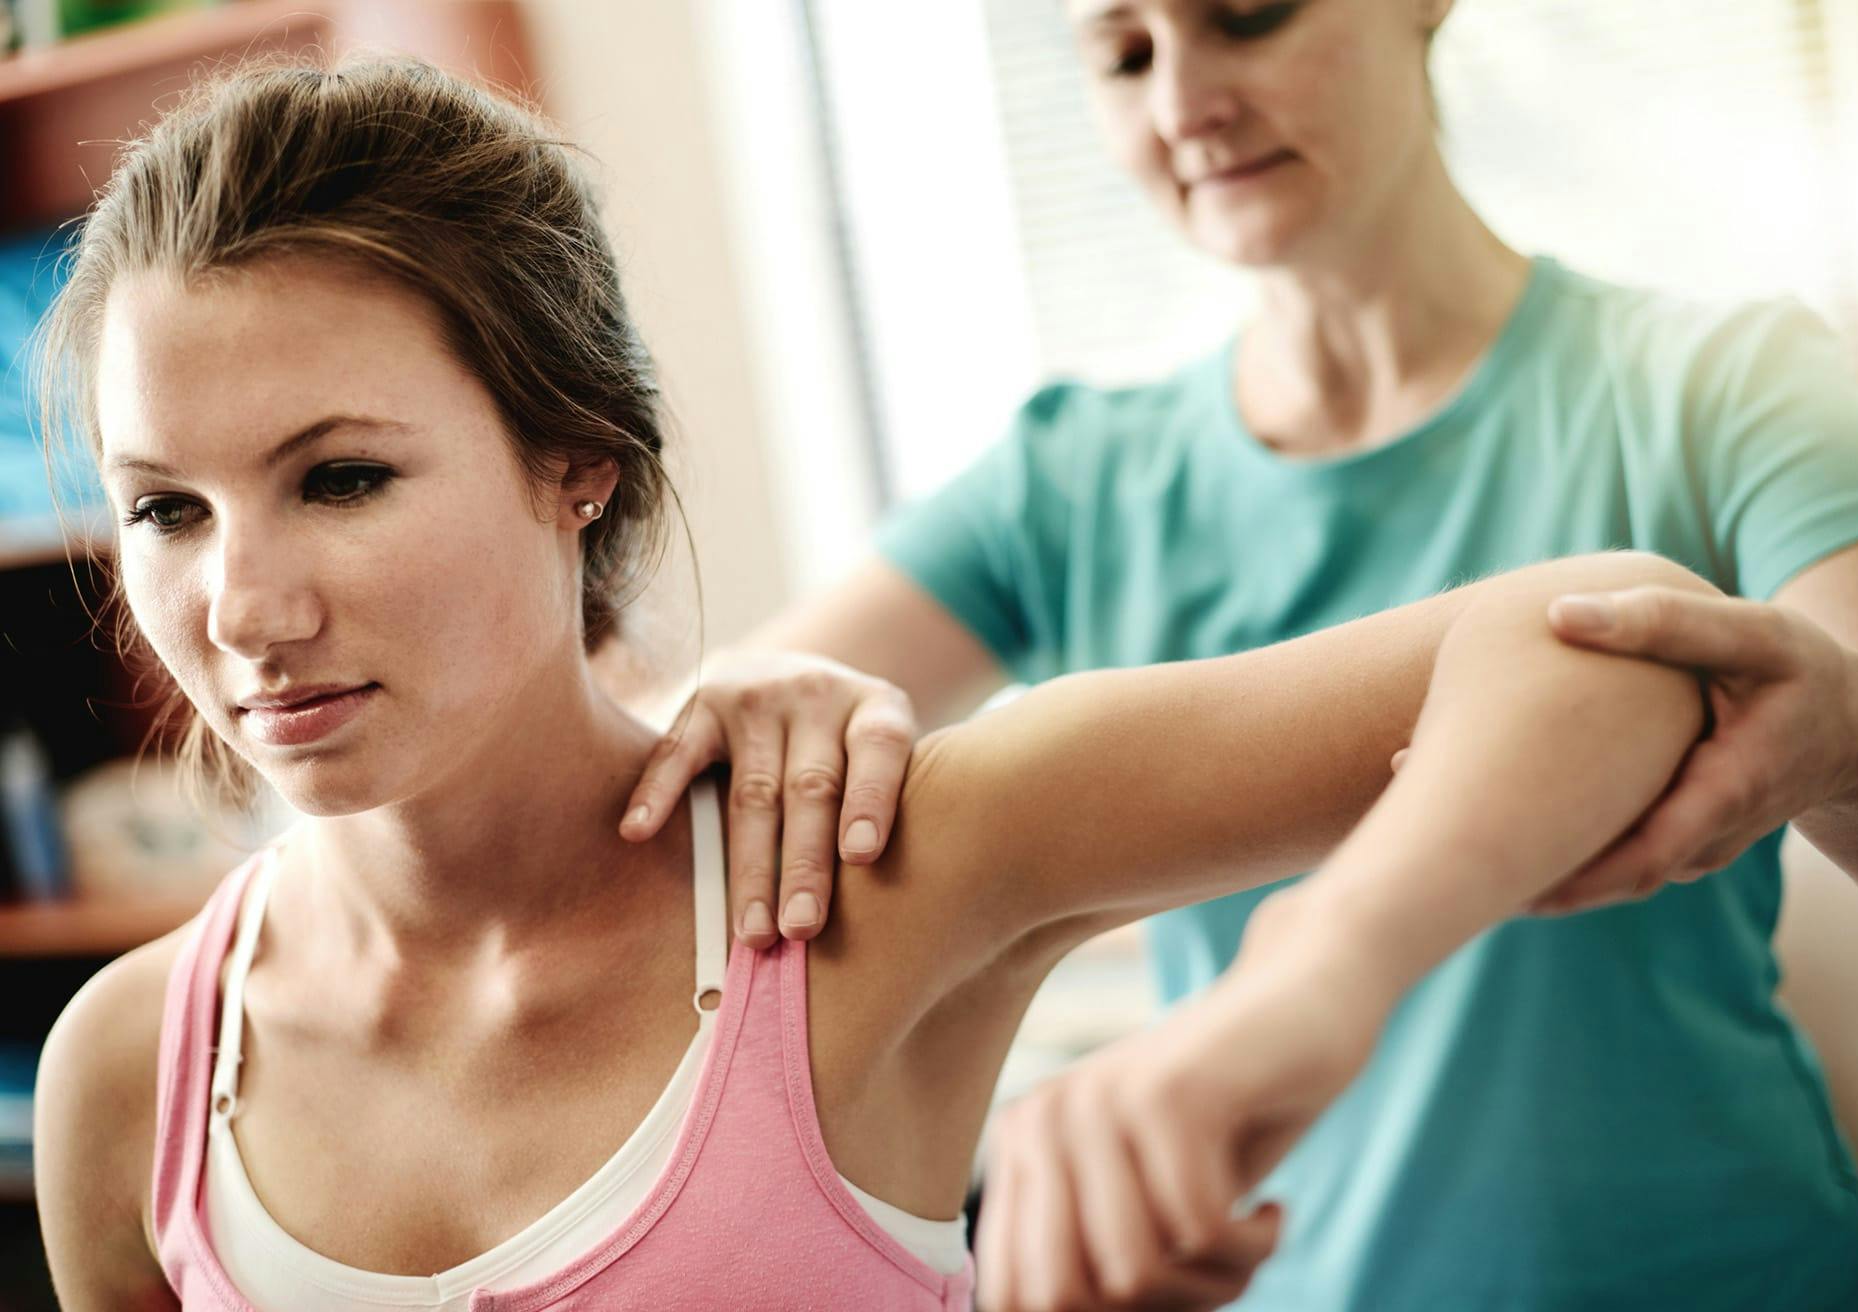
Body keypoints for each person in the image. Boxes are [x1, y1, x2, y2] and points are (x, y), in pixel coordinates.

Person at [27, 52, 1733, 1311]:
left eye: (340, 479)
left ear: (578, 465)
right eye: (165, 507)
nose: (239, 604)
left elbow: (1621, 629)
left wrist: (1285, 1008)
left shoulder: (866, 869)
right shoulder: (132, 1078)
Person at [618, 0, 1858, 1305]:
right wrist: (751, 692)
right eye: (1126, 56)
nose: (1185, 105)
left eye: (1246, 18)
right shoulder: (1073, 480)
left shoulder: (1722, 384)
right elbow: (653, 785)